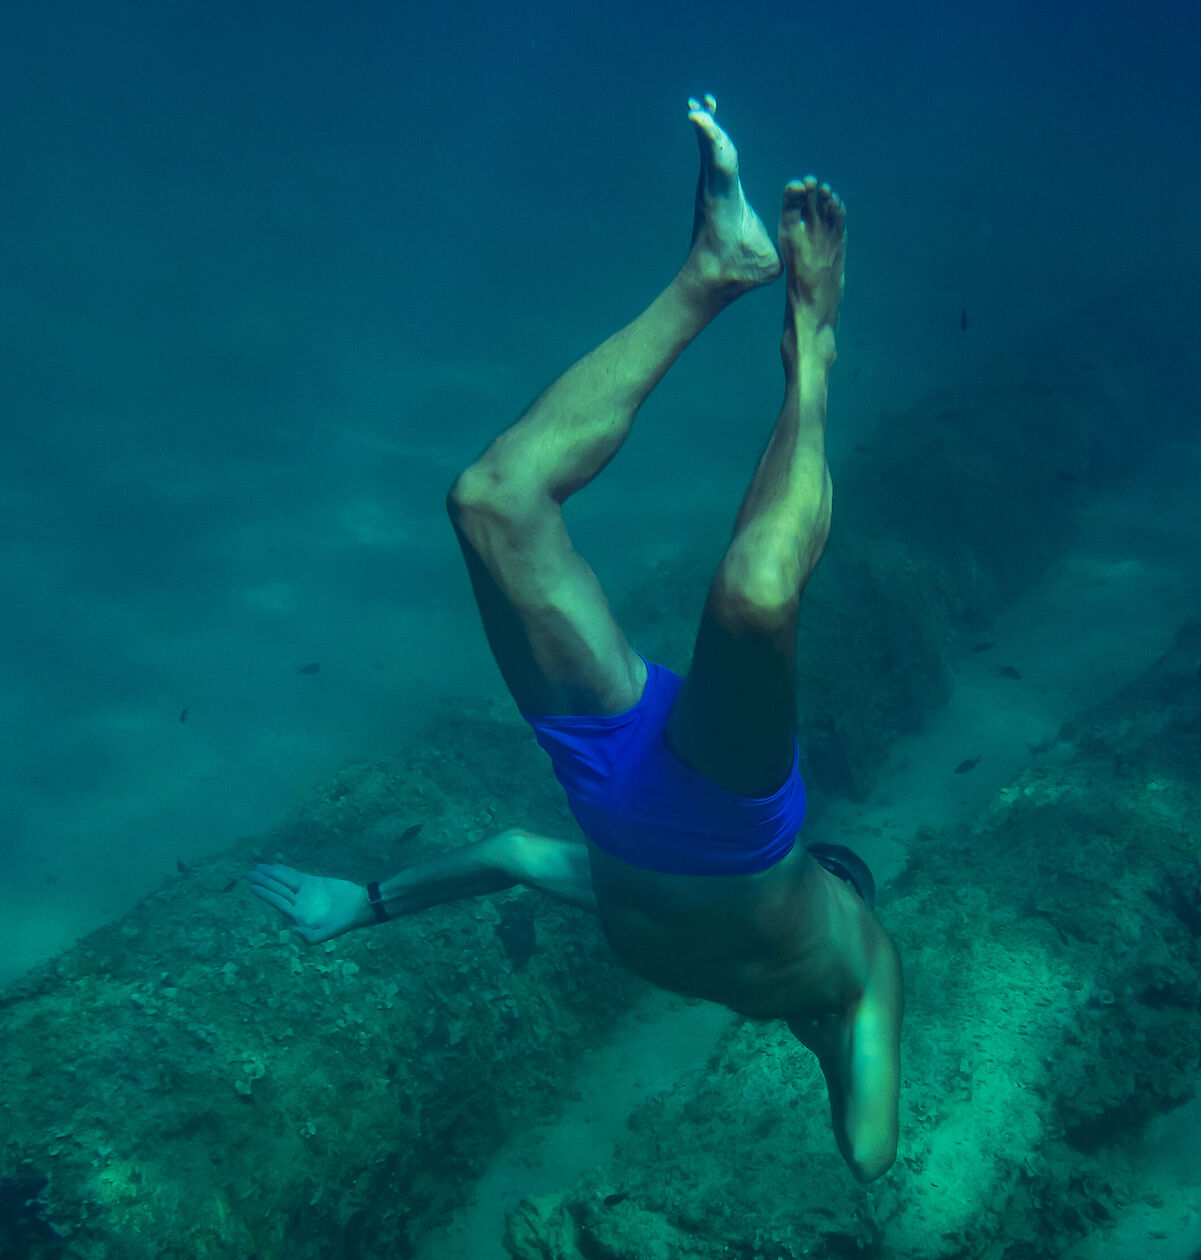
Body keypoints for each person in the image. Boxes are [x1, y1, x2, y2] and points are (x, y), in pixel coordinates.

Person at [251, 97, 901, 1183]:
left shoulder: (813, 979)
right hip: (737, 822)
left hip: (611, 785)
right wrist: (847, 1037)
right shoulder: (857, 960)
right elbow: (871, 1144)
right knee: (750, 596)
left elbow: (508, 856)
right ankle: (808, 347)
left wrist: (358, 908)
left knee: (490, 500)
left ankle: (719, 267)